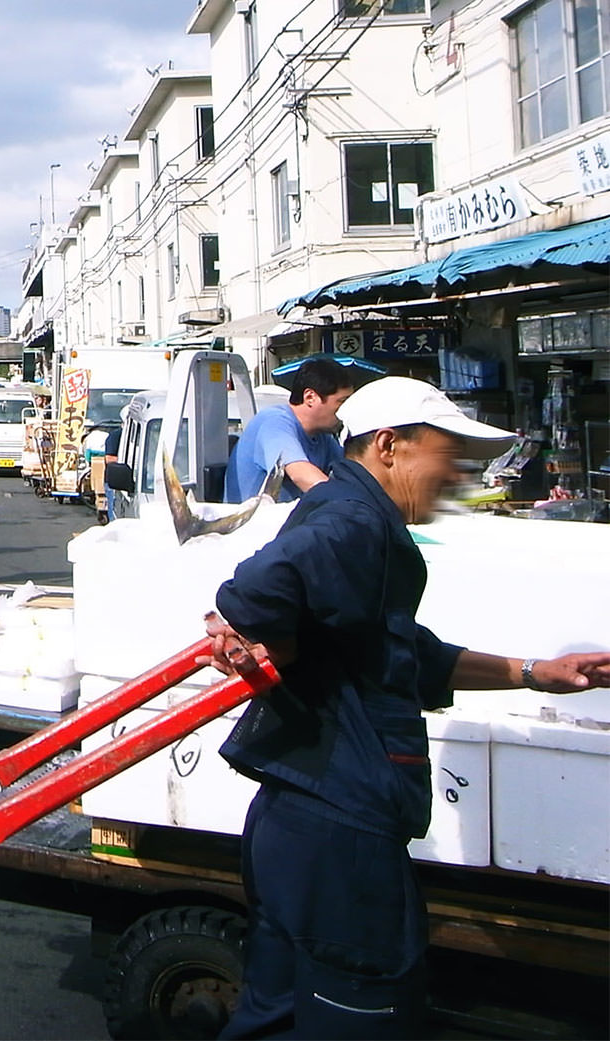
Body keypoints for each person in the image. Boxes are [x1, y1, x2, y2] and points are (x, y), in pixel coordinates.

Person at [203, 376, 610, 1036]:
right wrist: (261, 634)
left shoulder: (352, 515)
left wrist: (537, 673)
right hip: (342, 829)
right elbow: (255, 590)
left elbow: (402, 656)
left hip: (296, 818)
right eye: (447, 454)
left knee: (271, 1020)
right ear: (389, 445)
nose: (457, 475)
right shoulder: (358, 521)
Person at [225, 358, 361, 502]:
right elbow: (301, 474)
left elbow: (353, 470)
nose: (347, 410)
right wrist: (351, 502)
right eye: (342, 401)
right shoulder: (275, 423)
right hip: (256, 523)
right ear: (310, 397)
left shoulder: (322, 436)